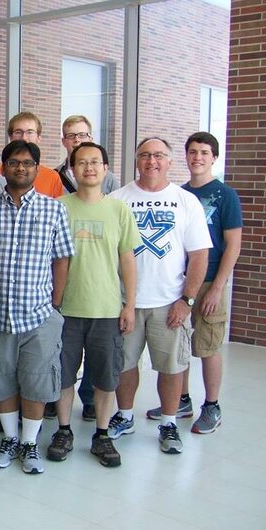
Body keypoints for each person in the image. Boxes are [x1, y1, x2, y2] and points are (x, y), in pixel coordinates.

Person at [108, 137, 211, 454]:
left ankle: (168, 422)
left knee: (171, 367)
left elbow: (199, 255)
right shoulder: (117, 199)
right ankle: (125, 416)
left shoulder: (185, 201)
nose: (151, 161)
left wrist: (187, 300)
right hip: (127, 302)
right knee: (124, 364)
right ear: (136, 160)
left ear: (169, 161)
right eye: (144, 155)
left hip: (169, 302)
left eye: (158, 155)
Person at [0, 140, 75, 474]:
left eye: (26, 163)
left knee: (36, 382)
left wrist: (55, 305)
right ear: (3, 167)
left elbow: (62, 259)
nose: (20, 168)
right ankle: (9, 438)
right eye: (13, 162)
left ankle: (30, 443)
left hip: (39, 316)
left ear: (37, 169)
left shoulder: (54, 209)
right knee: (2, 379)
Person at [47, 142, 140, 468]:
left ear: (105, 169)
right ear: (72, 169)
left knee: (105, 377)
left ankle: (102, 434)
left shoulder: (118, 210)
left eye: (95, 162)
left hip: (106, 310)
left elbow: (127, 260)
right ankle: (63, 430)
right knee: (63, 376)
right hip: (65, 311)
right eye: (82, 162)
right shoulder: (58, 206)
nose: (89, 167)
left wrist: (129, 305)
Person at [145, 132, 242, 434]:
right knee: (181, 345)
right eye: (192, 152)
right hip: (181, 283)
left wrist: (216, 287)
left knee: (208, 346)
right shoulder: (180, 194)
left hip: (211, 280)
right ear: (185, 157)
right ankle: (181, 400)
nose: (197, 157)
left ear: (214, 158)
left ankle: (211, 405)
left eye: (204, 152)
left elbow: (233, 245)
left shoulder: (225, 195)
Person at [50, 113, 120, 421]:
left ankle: (92, 402)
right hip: (68, 294)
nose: (78, 140)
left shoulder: (113, 188)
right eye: (72, 135)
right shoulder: (56, 183)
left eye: (83, 135)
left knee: (101, 360)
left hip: (104, 295)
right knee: (64, 361)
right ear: (64, 141)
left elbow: (121, 247)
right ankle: (62, 418)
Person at [0, 112, 63, 198]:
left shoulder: (52, 178)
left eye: (30, 132)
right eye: (18, 132)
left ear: (39, 137)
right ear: (10, 137)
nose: (24, 138)